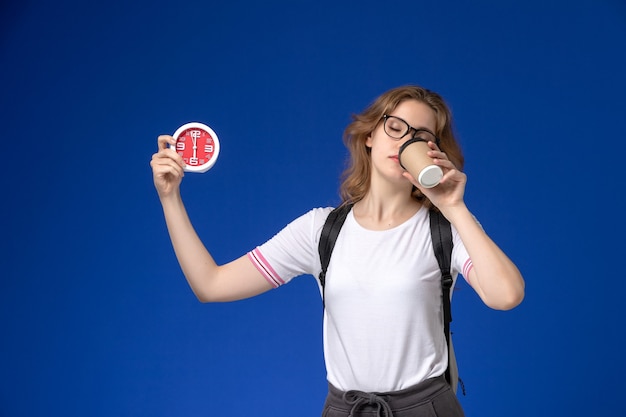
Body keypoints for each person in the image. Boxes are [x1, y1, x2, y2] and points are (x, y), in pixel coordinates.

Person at [150, 85, 525, 417]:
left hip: (426, 408)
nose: (404, 142)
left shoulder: (444, 227)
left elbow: (506, 296)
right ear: (369, 136)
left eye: (421, 137)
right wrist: (170, 198)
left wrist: (454, 207)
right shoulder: (321, 230)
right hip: (347, 409)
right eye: (395, 128)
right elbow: (211, 284)